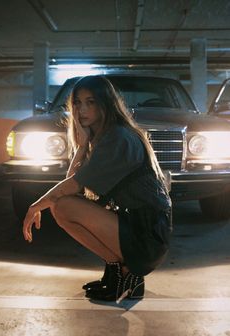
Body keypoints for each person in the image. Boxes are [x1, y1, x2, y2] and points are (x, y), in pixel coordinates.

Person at [23, 75, 172, 303]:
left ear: (105, 104)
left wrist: (35, 206)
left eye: (90, 102)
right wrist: (82, 146)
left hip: (147, 235)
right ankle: (117, 272)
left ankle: (127, 274)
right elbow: (72, 183)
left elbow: (71, 187)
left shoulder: (118, 137)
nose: (82, 109)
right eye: (77, 103)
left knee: (63, 205)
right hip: (134, 226)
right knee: (62, 207)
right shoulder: (101, 138)